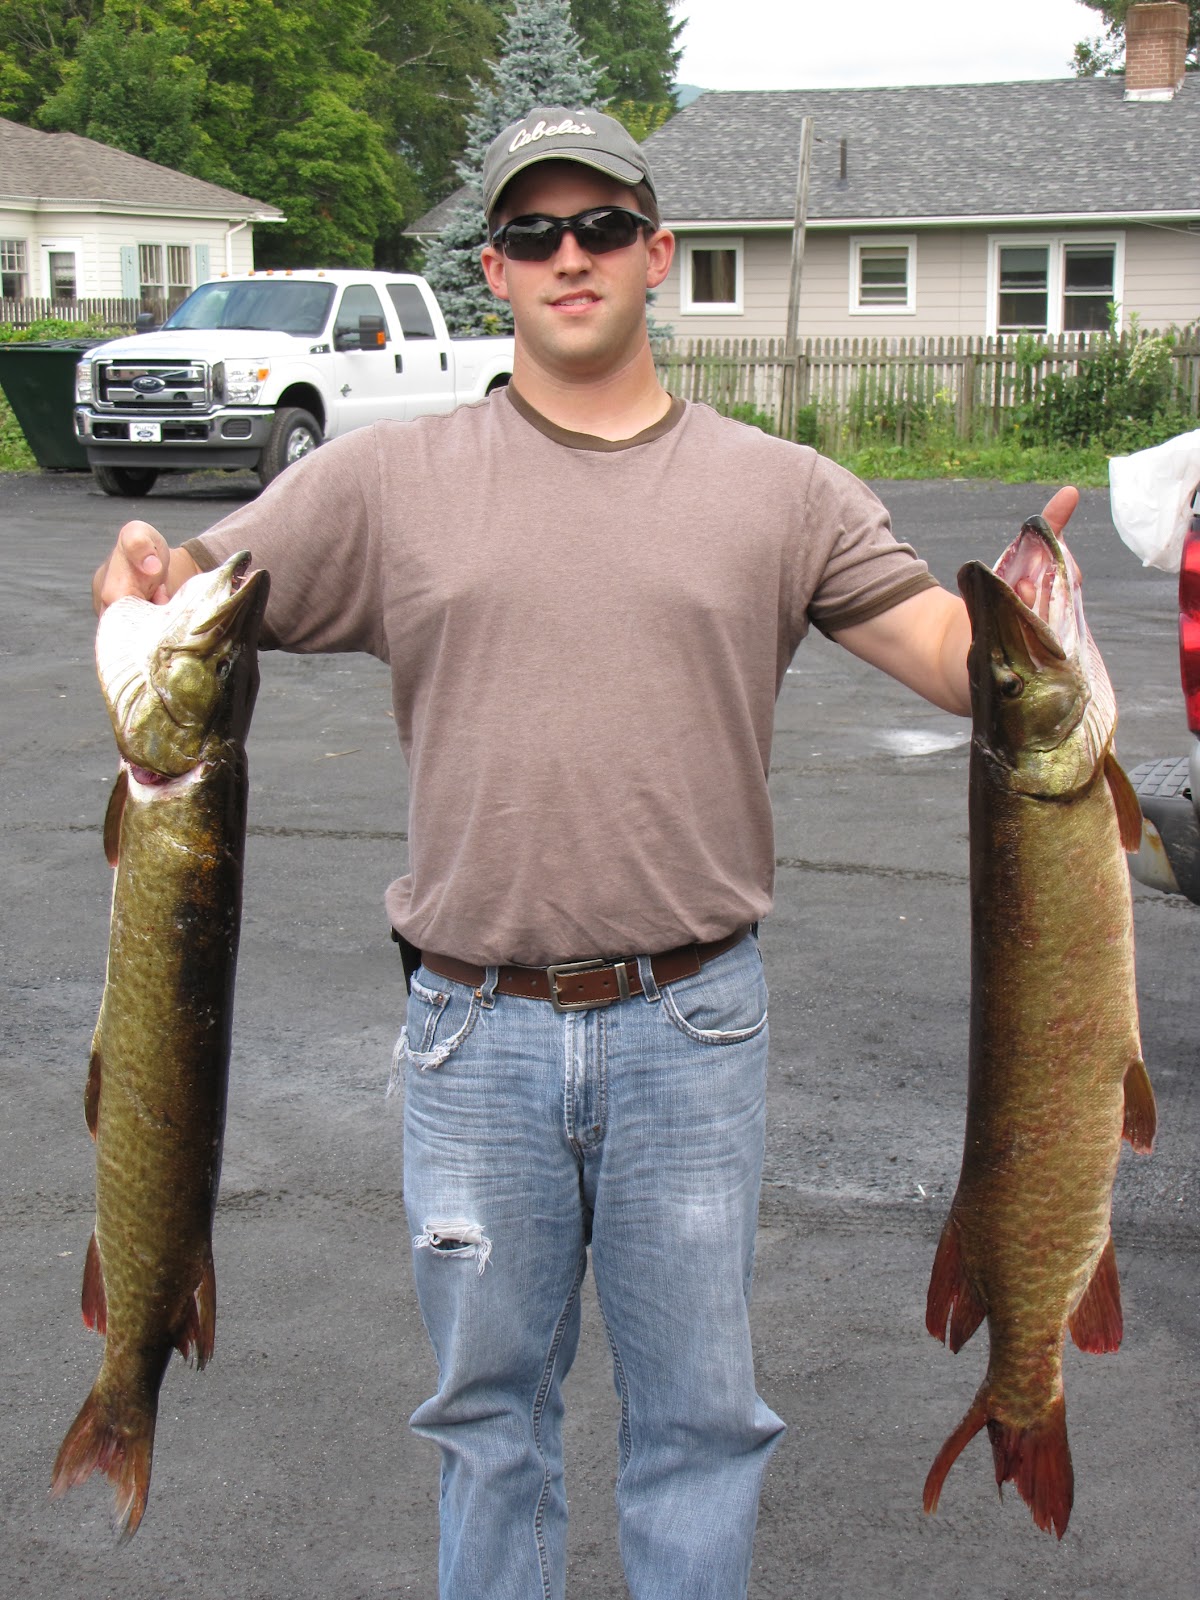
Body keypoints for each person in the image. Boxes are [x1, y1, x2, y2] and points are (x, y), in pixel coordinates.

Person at [93, 107, 1078, 1600]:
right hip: (468, 1034)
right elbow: (185, 602)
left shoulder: (783, 490)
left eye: (603, 227)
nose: (571, 255)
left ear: (659, 253)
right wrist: (140, 574)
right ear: (493, 267)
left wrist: (1029, 605)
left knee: (701, 1422)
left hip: (695, 1026)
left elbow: (957, 657)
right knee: (487, 1424)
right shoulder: (383, 484)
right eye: (535, 232)